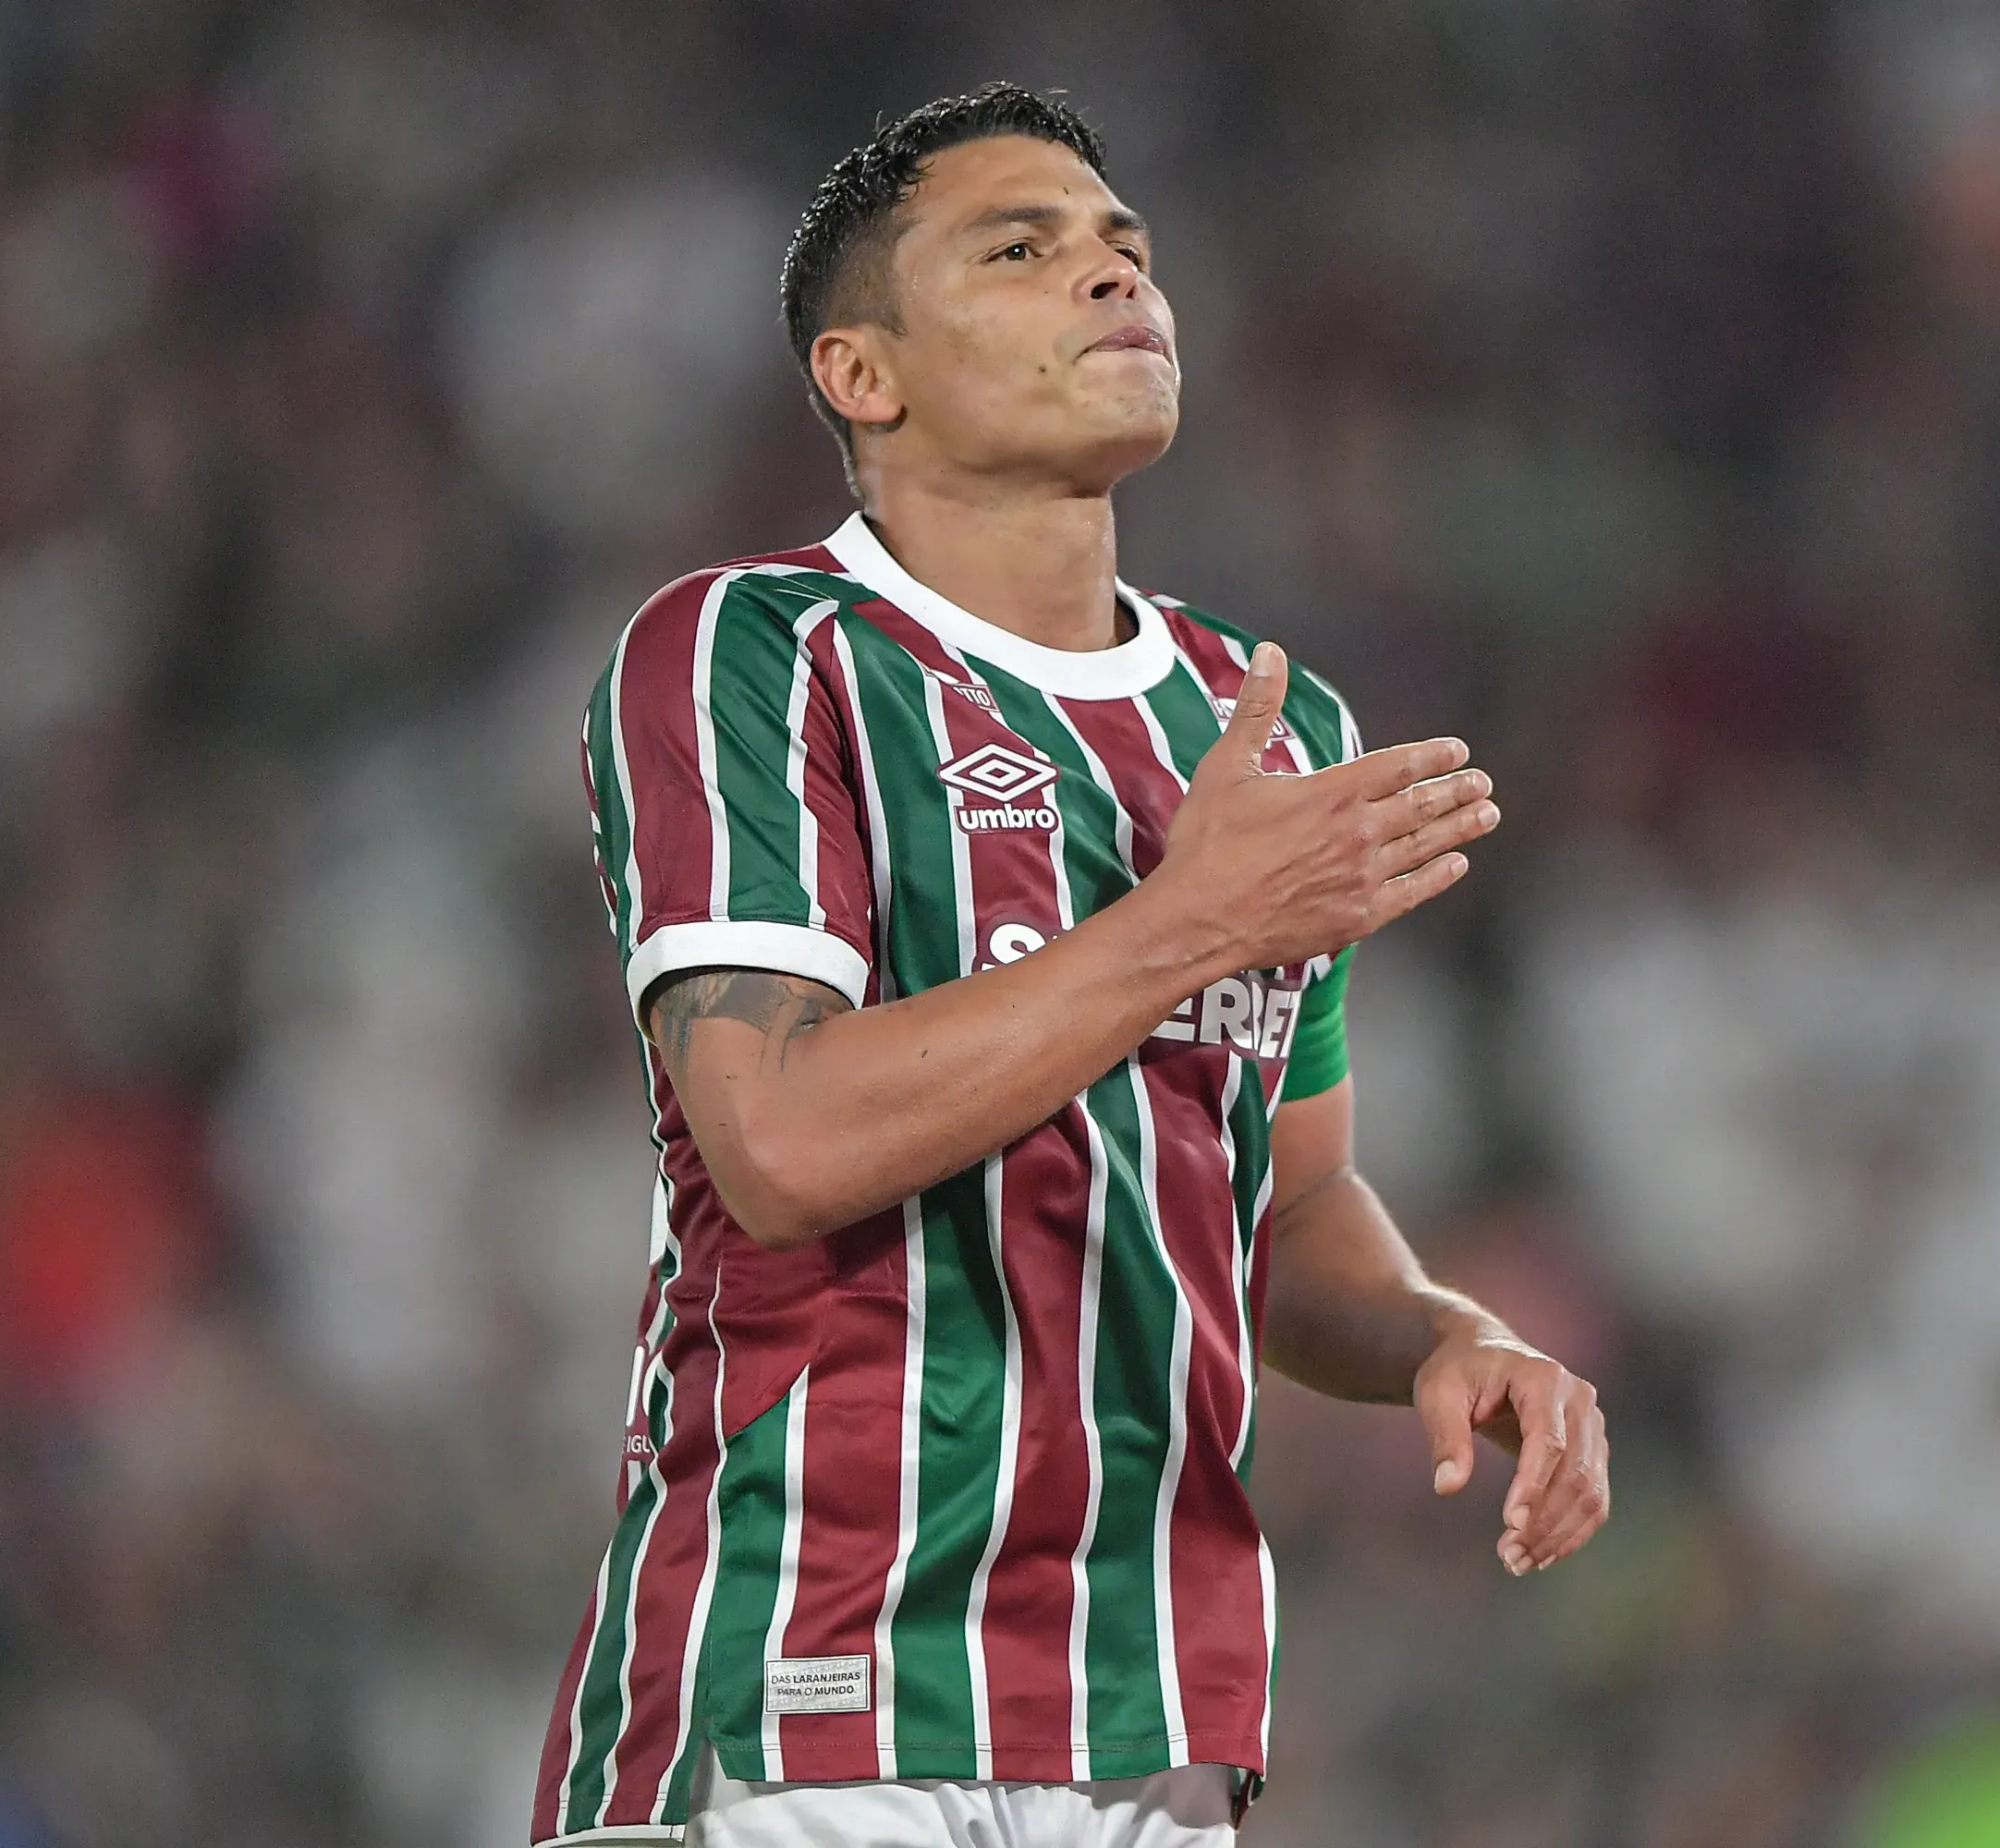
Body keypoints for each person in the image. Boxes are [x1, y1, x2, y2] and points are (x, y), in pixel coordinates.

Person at [530, 82, 1611, 1848]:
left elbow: (1286, 1205)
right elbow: (780, 1142)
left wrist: (1438, 1328)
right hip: (813, 1688)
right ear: (862, 375)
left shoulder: (1265, 731)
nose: (1115, 280)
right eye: (1021, 250)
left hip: (1155, 1730)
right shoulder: (758, 650)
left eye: (1128, 248)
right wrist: (1193, 923)